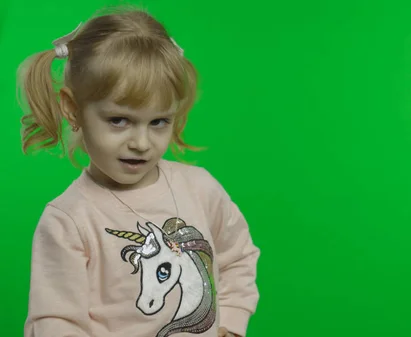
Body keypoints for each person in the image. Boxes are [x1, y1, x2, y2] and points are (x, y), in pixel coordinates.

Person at [17, 6, 260, 337]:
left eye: (159, 121)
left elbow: (237, 258)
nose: (141, 143)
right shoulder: (68, 220)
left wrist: (230, 323)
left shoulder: (200, 189)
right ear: (73, 109)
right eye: (119, 120)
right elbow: (57, 322)